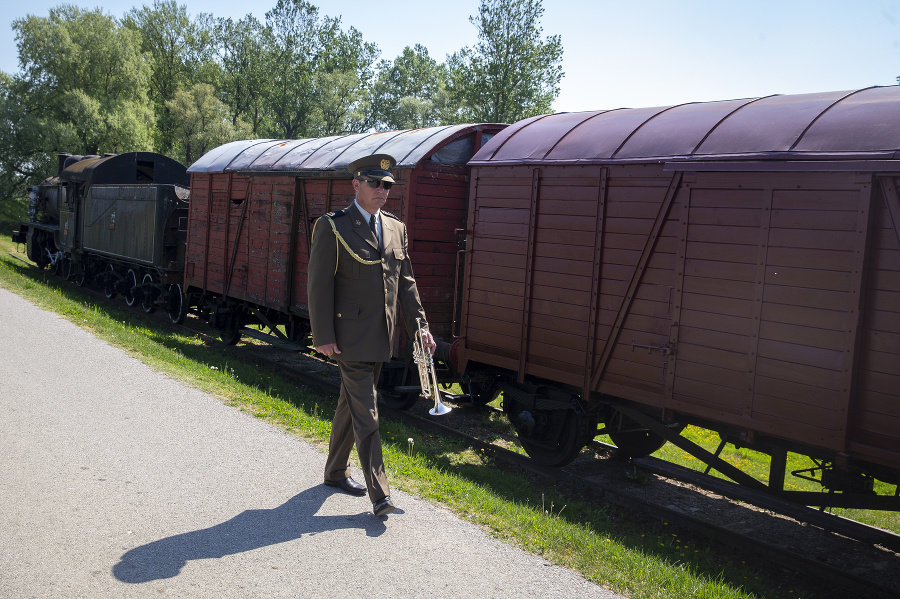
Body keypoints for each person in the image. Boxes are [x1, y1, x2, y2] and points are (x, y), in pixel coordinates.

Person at [307, 153, 436, 517]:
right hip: (347, 339)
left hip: (382, 337)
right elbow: (318, 286)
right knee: (368, 413)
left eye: (388, 185)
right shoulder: (333, 226)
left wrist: (420, 327)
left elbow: (406, 286)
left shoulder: (396, 228)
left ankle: (334, 472)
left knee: (350, 406)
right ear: (356, 185)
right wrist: (323, 335)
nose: (382, 190)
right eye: (375, 183)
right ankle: (381, 496)